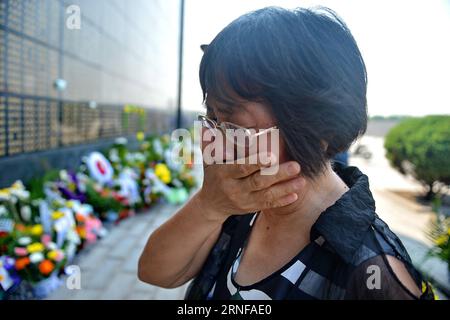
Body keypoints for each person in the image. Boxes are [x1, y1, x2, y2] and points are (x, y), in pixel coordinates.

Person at [138, 6, 434, 300]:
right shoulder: (237, 204)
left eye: (232, 123)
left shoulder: (370, 271)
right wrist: (208, 206)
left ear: (315, 122)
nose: (215, 141)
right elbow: (155, 272)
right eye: (212, 118)